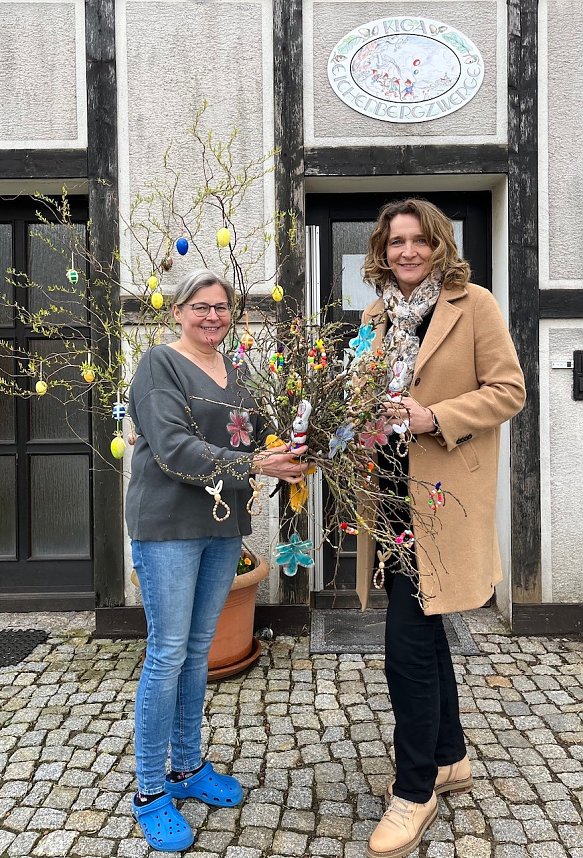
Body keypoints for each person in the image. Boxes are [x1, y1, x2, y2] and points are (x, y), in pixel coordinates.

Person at [355, 200, 525, 858]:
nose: (404, 251)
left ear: (437, 244)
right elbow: (366, 391)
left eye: (416, 240)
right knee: (423, 634)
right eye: (394, 241)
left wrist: (435, 418)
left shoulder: (471, 304)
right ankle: (449, 756)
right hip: (391, 499)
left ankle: (415, 789)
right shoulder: (375, 314)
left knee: (405, 648)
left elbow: (508, 390)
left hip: (442, 497)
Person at [125, 268, 308, 852]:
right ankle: (151, 789)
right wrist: (257, 466)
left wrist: (302, 440)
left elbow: (255, 437)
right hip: (168, 527)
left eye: (222, 307)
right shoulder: (159, 364)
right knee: (168, 654)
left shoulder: (239, 372)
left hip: (221, 527)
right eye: (200, 307)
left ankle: (187, 768)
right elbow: (175, 448)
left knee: (198, 651)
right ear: (177, 312)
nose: (212, 316)